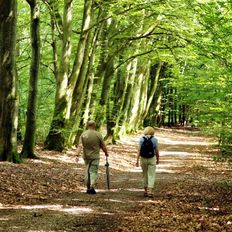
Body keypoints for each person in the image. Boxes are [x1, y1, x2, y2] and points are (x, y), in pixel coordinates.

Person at [76, 121, 109, 194]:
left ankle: (88, 187)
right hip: (95, 156)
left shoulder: (83, 134)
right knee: (93, 171)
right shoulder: (98, 134)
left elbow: (80, 146)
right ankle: (91, 186)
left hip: (86, 156)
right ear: (94, 125)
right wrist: (106, 153)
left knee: (87, 170)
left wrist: (77, 155)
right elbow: (103, 146)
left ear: (87, 126)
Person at [136, 126, 159, 198]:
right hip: (152, 158)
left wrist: (137, 160)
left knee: (144, 174)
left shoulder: (141, 139)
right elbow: (157, 151)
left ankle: (145, 191)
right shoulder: (155, 140)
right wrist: (158, 159)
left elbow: (139, 150)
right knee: (151, 175)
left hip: (143, 158)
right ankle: (150, 191)